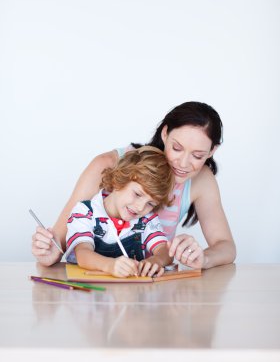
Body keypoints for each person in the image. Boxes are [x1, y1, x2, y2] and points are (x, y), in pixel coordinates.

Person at [32, 101, 236, 269]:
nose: (183, 164)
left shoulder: (201, 180)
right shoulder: (108, 165)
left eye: (197, 155)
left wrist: (202, 257)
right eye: (176, 148)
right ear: (165, 133)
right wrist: (49, 251)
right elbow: (60, 240)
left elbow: (226, 247)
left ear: (212, 151)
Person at [65, 146, 174, 278]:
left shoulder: (147, 220)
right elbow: (83, 254)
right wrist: (110, 266)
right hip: (90, 293)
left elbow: (165, 251)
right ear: (119, 181)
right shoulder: (85, 212)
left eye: (150, 203)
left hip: (132, 295)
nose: (140, 208)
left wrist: (156, 261)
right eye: (138, 194)